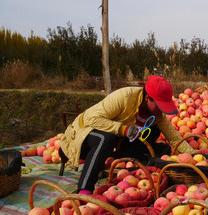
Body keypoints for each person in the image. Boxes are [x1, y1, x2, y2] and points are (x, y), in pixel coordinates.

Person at [60, 75, 195, 195]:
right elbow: (93, 119)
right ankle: (84, 189)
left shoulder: (157, 115)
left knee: (155, 133)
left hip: (117, 138)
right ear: (148, 98)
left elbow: (174, 137)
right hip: (86, 131)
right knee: (106, 139)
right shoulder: (124, 97)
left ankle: (113, 158)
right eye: (159, 106)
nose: (161, 111)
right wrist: (123, 129)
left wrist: (195, 158)